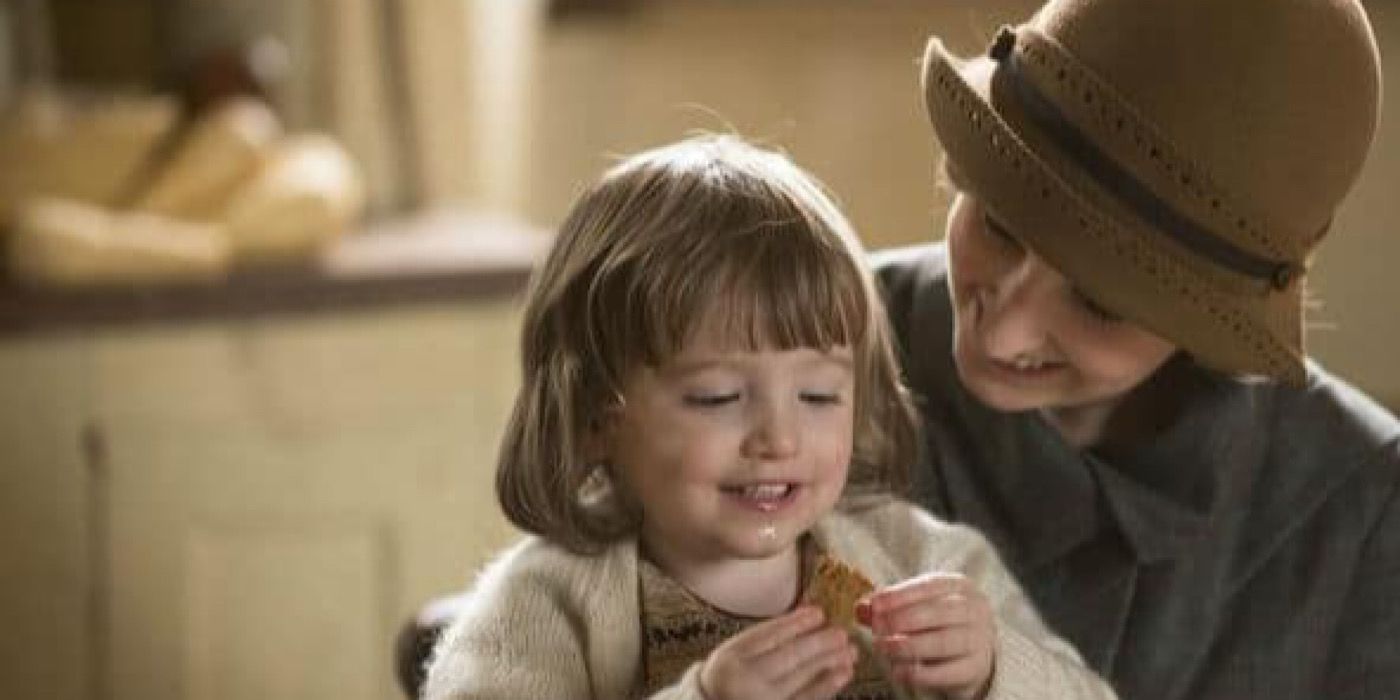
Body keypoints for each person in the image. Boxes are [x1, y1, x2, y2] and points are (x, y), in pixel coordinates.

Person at [421, 135, 1117, 699]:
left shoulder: (920, 559)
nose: (779, 439)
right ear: (597, 413)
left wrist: (994, 669)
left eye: (818, 397)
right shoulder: (545, 604)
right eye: (718, 398)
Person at [874, 0, 1400, 698]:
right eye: (999, 224)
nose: (1004, 332)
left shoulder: (1359, 510)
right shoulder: (802, 349)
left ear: (1211, 323)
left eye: (1100, 303)